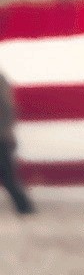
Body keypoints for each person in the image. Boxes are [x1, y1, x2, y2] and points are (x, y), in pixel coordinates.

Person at [0, 71, 34, 215]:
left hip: (1, 136)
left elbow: (7, 108)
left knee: (7, 174)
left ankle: (24, 206)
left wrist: (7, 133)